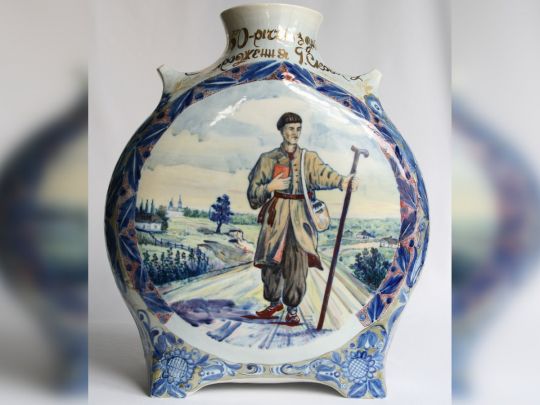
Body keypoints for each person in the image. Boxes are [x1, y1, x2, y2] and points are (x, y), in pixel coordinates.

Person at [247, 112, 358, 325]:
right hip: (276, 218)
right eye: (290, 129)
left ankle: (292, 309)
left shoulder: (309, 158)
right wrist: (270, 187)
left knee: (297, 265)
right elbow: (253, 192)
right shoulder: (267, 159)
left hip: (301, 218)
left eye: (298, 129)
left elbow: (325, 174)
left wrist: (343, 181)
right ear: (281, 131)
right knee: (271, 263)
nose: (295, 133)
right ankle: (273, 303)